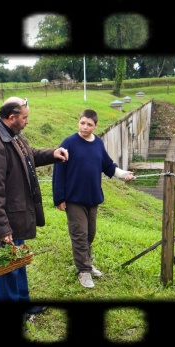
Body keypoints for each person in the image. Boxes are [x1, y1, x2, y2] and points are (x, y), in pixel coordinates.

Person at [0, 96, 69, 316]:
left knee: (18, 261)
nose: (27, 122)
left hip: (17, 213)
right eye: (24, 118)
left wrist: (52, 154)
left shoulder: (12, 135)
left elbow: (29, 155)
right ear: (11, 117)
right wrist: (3, 229)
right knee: (6, 266)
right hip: (5, 218)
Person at [52, 109, 135, 288]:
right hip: (74, 199)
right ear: (78, 122)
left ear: (95, 126)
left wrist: (123, 174)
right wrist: (59, 197)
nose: (85, 127)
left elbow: (107, 165)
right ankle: (83, 271)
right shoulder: (69, 143)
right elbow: (58, 170)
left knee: (90, 234)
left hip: (92, 198)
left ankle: (87, 263)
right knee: (79, 234)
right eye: (82, 123)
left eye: (89, 124)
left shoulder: (98, 143)